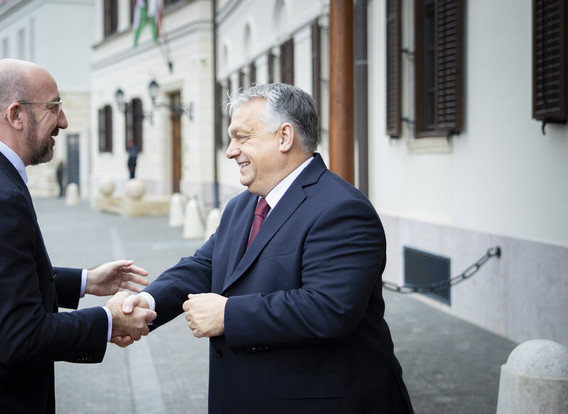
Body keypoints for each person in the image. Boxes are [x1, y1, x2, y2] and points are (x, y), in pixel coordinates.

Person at [119, 83, 414, 413]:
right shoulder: (241, 205)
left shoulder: (341, 209)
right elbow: (203, 266)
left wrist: (228, 314)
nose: (231, 151)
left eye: (242, 137)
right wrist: (144, 302)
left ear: (285, 137)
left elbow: (330, 310)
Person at [0, 59, 156, 414]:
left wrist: (84, 282)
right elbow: (20, 336)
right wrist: (109, 320)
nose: (63, 121)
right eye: (54, 107)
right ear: (16, 115)